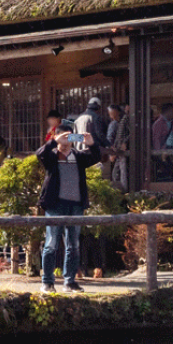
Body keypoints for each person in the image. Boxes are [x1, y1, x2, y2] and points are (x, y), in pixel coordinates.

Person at [36, 125, 101, 293]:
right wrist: (53, 142)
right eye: (63, 137)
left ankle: (69, 281)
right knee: (51, 243)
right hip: (55, 205)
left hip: (76, 205)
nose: (66, 140)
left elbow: (95, 157)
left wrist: (91, 144)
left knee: (73, 245)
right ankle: (48, 282)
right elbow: (39, 154)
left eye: (69, 137)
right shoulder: (51, 156)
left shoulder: (78, 156)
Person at [103, 103, 130, 187]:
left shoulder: (122, 121)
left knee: (119, 174)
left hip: (120, 151)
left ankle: (122, 191)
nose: (110, 115)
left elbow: (110, 139)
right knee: (117, 173)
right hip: (118, 151)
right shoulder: (117, 123)